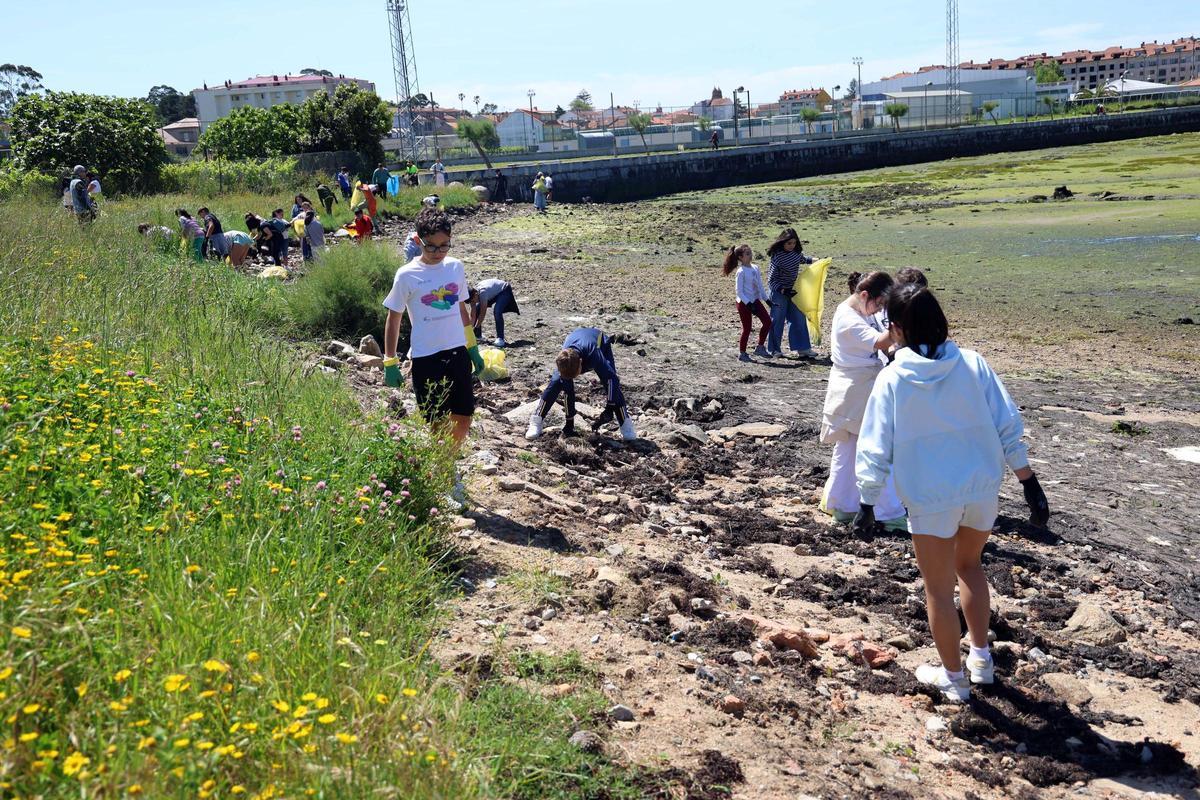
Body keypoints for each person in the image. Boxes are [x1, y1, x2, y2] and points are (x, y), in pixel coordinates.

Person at [854, 284, 1050, 703]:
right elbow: (1007, 425)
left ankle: (954, 678)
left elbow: (875, 445)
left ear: (897, 328)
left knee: (938, 589)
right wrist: (1028, 481)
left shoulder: (892, 379)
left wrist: (867, 501)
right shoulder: (974, 365)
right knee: (971, 567)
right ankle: (982, 661)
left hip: (929, 496)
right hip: (980, 489)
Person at [381, 206, 484, 450]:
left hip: (457, 353)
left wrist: (473, 348)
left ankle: (449, 460)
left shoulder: (455, 267)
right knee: (436, 419)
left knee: (464, 415)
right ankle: (444, 469)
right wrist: (389, 362)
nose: (438, 252)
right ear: (418, 240)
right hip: (426, 357)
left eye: (445, 245)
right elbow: (394, 318)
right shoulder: (406, 275)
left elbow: (461, 310)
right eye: (431, 246)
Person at [820, 271, 906, 527]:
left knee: (849, 448)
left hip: (857, 388)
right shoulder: (848, 318)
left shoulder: (858, 312)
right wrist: (902, 325)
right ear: (865, 295)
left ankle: (841, 503)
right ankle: (885, 511)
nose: (879, 310)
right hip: (856, 390)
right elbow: (880, 341)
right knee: (870, 449)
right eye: (878, 304)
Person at [526, 327, 636, 442]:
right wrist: (569, 422)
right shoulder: (564, 359)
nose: (575, 378)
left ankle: (626, 424)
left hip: (600, 343)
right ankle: (536, 420)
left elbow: (612, 380)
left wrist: (609, 407)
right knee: (555, 383)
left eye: (575, 375)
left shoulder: (594, 355)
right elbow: (568, 391)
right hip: (576, 340)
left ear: (581, 363)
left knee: (610, 384)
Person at [765, 227, 816, 358]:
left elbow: (803, 259)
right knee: (777, 320)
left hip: (793, 291)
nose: (791, 246)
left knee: (799, 318)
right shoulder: (777, 256)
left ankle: (803, 349)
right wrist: (783, 290)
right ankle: (774, 349)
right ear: (782, 242)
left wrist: (818, 261)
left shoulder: (796, 253)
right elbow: (771, 280)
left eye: (794, 243)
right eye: (789, 243)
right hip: (778, 292)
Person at [723, 244, 772, 361]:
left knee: (768, 322)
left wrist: (768, 301)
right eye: (747, 254)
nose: (751, 256)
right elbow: (739, 292)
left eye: (751, 253)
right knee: (747, 328)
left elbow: (760, 286)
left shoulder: (755, 268)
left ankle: (760, 347)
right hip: (744, 303)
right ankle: (742, 353)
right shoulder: (741, 271)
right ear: (740, 257)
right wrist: (748, 304)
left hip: (755, 300)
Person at [469, 278, 520, 347]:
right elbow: (473, 314)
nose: (473, 303)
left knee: (497, 311)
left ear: (475, 294)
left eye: (473, 301)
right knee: (477, 309)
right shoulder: (471, 296)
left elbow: (482, 313)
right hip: (493, 292)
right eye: (471, 302)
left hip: (504, 290)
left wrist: (476, 326)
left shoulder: (482, 293)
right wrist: (470, 329)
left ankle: (500, 338)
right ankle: (478, 335)